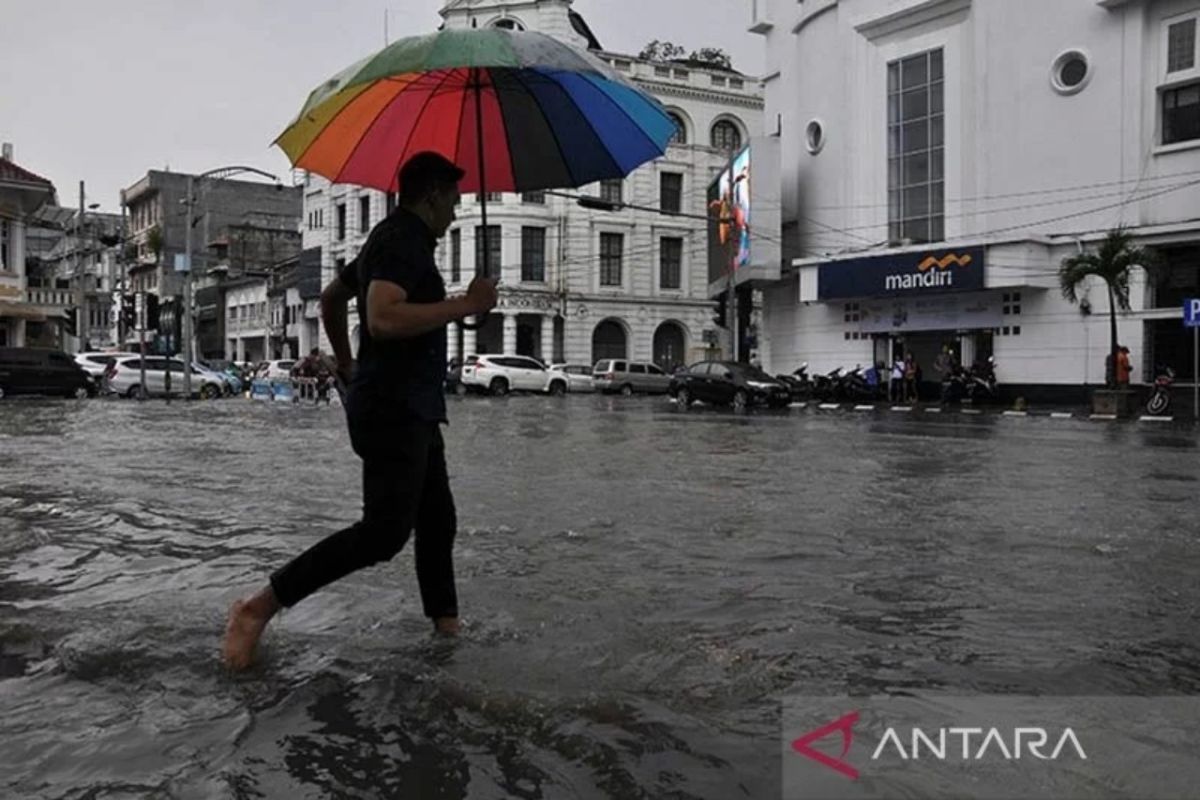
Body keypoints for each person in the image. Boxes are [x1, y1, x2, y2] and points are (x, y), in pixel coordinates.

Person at [221, 152, 499, 670]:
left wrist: (349, 367)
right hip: (395, 406)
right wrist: (466, 304)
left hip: (407, 404)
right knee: (384, 534)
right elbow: (384, 317)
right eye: (455, 200)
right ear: (434, 194)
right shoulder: (403, 240)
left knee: (438, 522)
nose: (458, 211)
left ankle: (447, 634)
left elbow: (330, 300)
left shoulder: (391, 239)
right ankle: (257, 608)